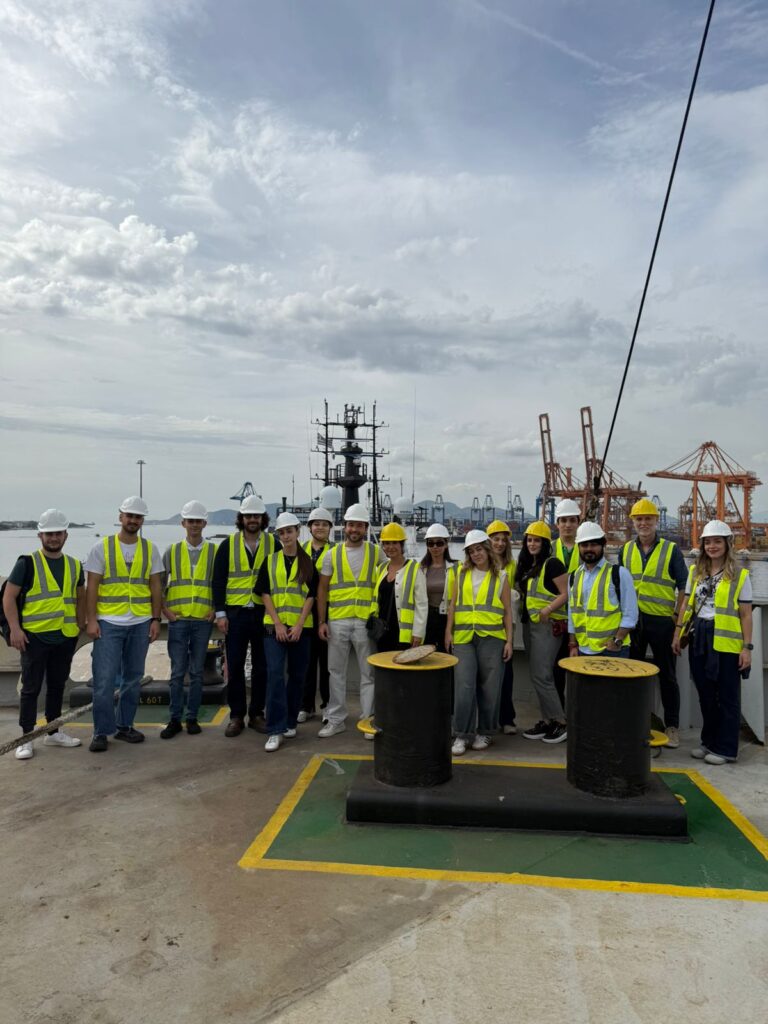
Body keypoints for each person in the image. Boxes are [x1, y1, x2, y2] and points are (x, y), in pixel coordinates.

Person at [3, 509, 85, 760]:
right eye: (49, 533)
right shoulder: (26, 563)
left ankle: (53, 731)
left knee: (57, 686)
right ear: (40, 536)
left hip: (65, 635)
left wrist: (81, 622)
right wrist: (15, 629)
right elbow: (9, 597)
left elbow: (80, 595)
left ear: (65, 535)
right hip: (35, 637)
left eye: (58, 533)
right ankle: (26, 738)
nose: (53, 538)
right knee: (31, 688)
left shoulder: (73, 564)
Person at [84, 496, 164, 752]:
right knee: (105, 680)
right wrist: (92, 620)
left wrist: (155, 619)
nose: (133, 520)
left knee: (133, 678)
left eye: (138, 517)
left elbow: (155, 587)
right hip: (108, 623)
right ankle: (101, 731)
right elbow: (92, 586)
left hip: (140, 622)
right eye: (129, 516)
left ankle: (124, 726)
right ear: (120, 517)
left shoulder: (150, 549)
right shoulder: (101, 548)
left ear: (142, 520)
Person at [673, 520, 752, 766]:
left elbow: (746, 614)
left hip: (726, 641)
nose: (712, 546)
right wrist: (678, 634)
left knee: (727, 696)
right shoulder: (696, 572)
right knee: (705, 693)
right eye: (708, 542)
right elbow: (686, 604)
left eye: (717, 541)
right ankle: (709, 742)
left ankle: (727, 749)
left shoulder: (740, 576)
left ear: (728, 544)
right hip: (699, 637)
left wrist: (746, 648)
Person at [620, 497, 688, 749]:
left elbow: (684, 586)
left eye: (648, 518)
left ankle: (672, 727)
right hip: (633, 623)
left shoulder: (670, 550)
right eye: (639, 519)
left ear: (656, 520)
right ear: (633, 523)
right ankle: (635, 722)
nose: (643, 523)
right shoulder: (625, 550)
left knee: (667, 676)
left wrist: (676, 619)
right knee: (632, 674)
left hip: (662, 622)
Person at [316, 502, 386, 738]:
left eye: (359, 525)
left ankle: (368, 721)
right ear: (344, 527)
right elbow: (322, 590)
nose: (354, 529)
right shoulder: (331, 555)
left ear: (365, 527)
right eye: (351, 524)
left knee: (369, 674)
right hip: (338, 620)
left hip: (365, 622)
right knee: (335, 672)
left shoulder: (377, 553)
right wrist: (322, 621)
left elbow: (391, 578)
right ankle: (336, 719)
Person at [212, 494, 278, 737]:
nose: (252, 520)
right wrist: (221, 613)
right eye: (249, 516)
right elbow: (218, 581)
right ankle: (237, 715)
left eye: (257, 516)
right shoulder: (228, 545)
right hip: (236, 614)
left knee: (262, 667)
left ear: (262, 519)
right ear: (242, 518)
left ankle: (257, 714)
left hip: (264, 614)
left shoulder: (274, 544)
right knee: (236, 666)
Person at [445, 530, 513, 755]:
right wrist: (448, 632)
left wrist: (509, 641)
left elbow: (507, 612)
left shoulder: (501, 576)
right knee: (464, 686)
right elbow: (453, 605)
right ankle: (461, 735)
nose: (476, 554)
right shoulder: (459, 573)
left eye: (479, 549)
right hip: (464, 637)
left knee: (490, 687)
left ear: (487, 548)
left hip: (492, 637)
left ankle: (485, 731)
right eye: (471, 551)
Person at [256, 513, 318, 752]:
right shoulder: (271, 561)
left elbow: (311, 596)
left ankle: (291, 721)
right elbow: (265, 593)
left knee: (297, 677)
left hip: (302, 630)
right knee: (275, 676)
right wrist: (278, 624)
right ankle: (275, 729)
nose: (286, 536)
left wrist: (300, 624)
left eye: (289, 531)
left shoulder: (308, 563)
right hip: (275, 628)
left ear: (297, 531)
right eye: (282, 532)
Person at [160, 501, 216, 739]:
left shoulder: (214, 551)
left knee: (196, 673)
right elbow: (159, 585)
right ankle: (174, 719)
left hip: (203, 620)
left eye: (198, 521)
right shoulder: (171, 551)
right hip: (179, 620)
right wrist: (165, 611)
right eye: (190, 521)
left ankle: (191, 717)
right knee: (177, 672)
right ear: (183, 523)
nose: (194, 525)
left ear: (204, 523)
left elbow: (219, 584)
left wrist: (215, 609)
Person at [515, 521, 569, 745]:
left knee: (543, 676)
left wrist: (548, 609)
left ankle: (561, 722)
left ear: (545, 543)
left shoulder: (553, 564)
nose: (532, 544)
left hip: (548, 627)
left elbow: (566, 593)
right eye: (529, 540)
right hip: (531, 627)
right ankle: (547, 721)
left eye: (537, 540)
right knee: (538, 676)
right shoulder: (529, 566)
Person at [567, 522, 638, 660]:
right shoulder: (573, 577)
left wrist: (617, 641)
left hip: (612, 650)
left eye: (593, 545)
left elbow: (631, 614)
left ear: (603, 545)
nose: (589, 549)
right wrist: (573, 644)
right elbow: (572, 613)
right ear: (578, 547)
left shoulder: (619, 574)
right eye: (584, 545)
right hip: (583, 649)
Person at [298, 506, 334, 723]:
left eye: (324, 524)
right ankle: (306, 705)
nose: (320, 527)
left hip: (328, 611)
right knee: (306, 661)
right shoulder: (299, 550)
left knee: (327, 662)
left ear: (330, 528)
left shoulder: (337, 552)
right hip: (303, 611)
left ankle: (328, 705)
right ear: (309, 527)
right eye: (316, 523)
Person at [373, 522, 428, 653]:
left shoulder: (414, 569)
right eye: (386, 543)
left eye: (394, 543)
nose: (390, 547)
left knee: (402, 670)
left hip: (404, 633)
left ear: (402, 545)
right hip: (382, 630)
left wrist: (418, 632)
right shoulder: (381, 569)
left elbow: (422, 604)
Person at [487, 519, 518, 734]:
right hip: (484, 626)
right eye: (495, 539)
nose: (499, 543)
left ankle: (507, 719)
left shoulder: (512, 566)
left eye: (503, 540)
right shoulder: (479, 563)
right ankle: (487, 719)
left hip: (504, 625)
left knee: (506, 674)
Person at [551, 498, 581, 709]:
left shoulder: (587, 547)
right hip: (555, 619)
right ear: (557, 524)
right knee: (554, 670)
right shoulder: (550, 549)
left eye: (572, 520)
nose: (568, 525)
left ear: (578, 522)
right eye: (564, 520)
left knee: (578, 668)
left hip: (582, 620)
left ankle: (577, 712)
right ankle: (559, 714)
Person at [419, 522, 456, 651]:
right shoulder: (420, 569)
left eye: (439, 543)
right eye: (431, 543)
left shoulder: (456, 568)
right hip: (427, 618)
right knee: (426, 656)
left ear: (446, 544)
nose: (435, 547)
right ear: (427, 546)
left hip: (447, 618)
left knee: (447, 654)